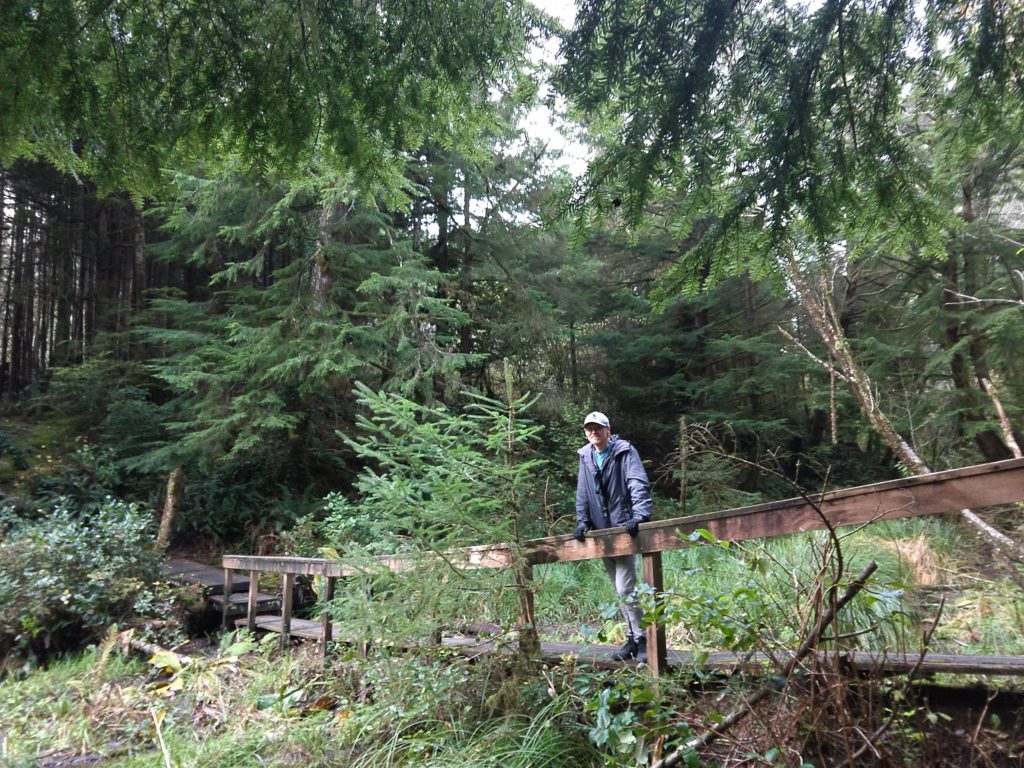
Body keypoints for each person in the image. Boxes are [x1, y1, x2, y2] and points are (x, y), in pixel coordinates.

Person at [573, 411, 653, 662]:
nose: (593, 432)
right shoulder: (586, 456)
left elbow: (636, 482)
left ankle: (643, 639)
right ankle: (633, 638)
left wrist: (639, 515)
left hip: (623, 528)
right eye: (589, 428)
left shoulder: (624, 451)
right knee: (619, 590)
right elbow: (583, 491)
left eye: (598, 428)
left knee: (625, 587)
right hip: (600, 533)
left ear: (608, 429)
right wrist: (582, 521)